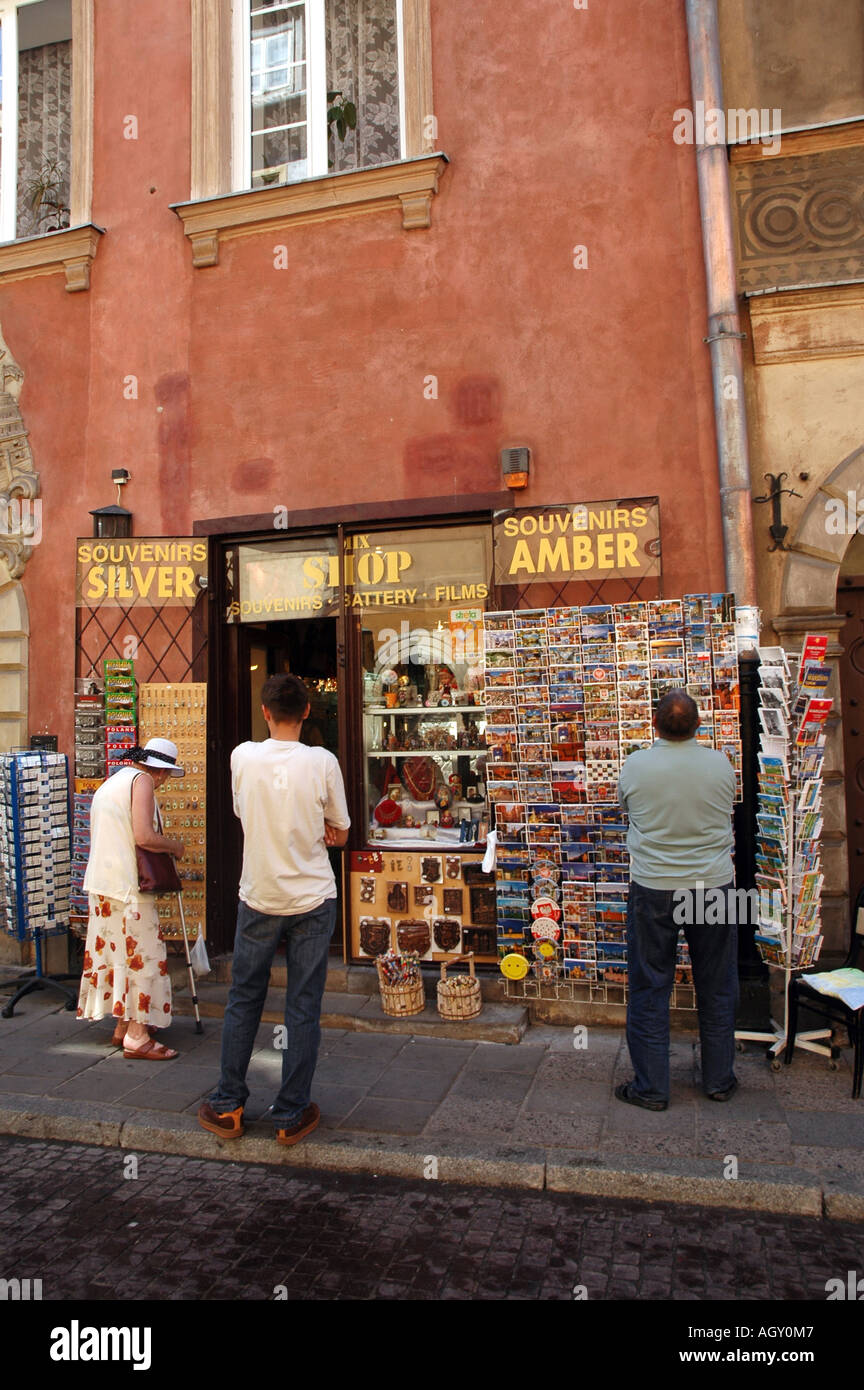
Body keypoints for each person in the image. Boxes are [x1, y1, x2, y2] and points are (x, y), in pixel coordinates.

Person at [198, 673, 350, 1146]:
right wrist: (321, 829)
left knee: (245, 998)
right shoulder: (323, 761)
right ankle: (290, 1112)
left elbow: (244, 814)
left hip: (260, 895)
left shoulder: (243, 756)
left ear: (265, 712)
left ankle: (228, 1106)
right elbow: (340, 833)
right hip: (312, 897)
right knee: (303, 1005)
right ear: (307, 712)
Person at [616, 689, 738, 1111]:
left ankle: (652, 1087)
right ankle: (719, 1079)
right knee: (717, 982)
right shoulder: (720, 764)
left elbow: (626, 807)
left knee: (650, 984)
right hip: (716, 886)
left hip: (654, 886)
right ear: (698, 725)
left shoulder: (636, 765)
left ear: (655, 724)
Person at [77, 738, 186, 1060]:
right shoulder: (142, 783)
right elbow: (144, 837)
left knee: (118, 957)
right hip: (128, 888)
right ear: (158, 769)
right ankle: (138, 1036)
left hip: (102, 885)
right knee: (144, 957)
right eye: (165, 773)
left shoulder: (114, 781)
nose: (164, 780)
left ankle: (123, 1025)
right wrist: (174, 846)